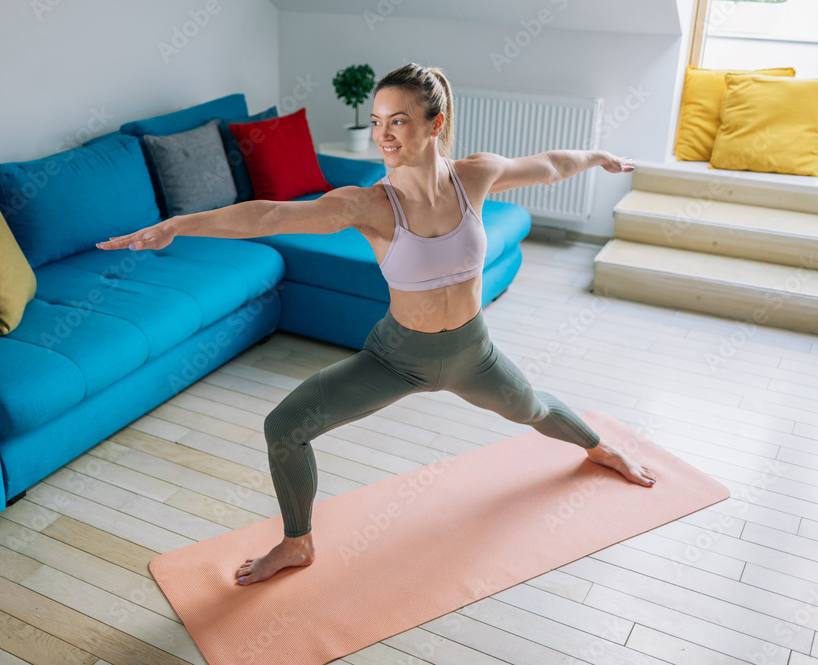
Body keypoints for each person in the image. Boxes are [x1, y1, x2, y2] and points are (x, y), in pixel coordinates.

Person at [97, 62, 656, 586]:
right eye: (377, 122)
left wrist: (597, 156)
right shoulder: (369, 204)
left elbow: (550, 165)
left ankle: (598, 447)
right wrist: (179, 224)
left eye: (400, 121)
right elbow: (268, 213)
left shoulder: (476, 176)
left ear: (435, 124)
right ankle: (297, 543)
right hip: (396, 359)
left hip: (473, 354)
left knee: (531, 406)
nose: (384, 134)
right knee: (284, 428)